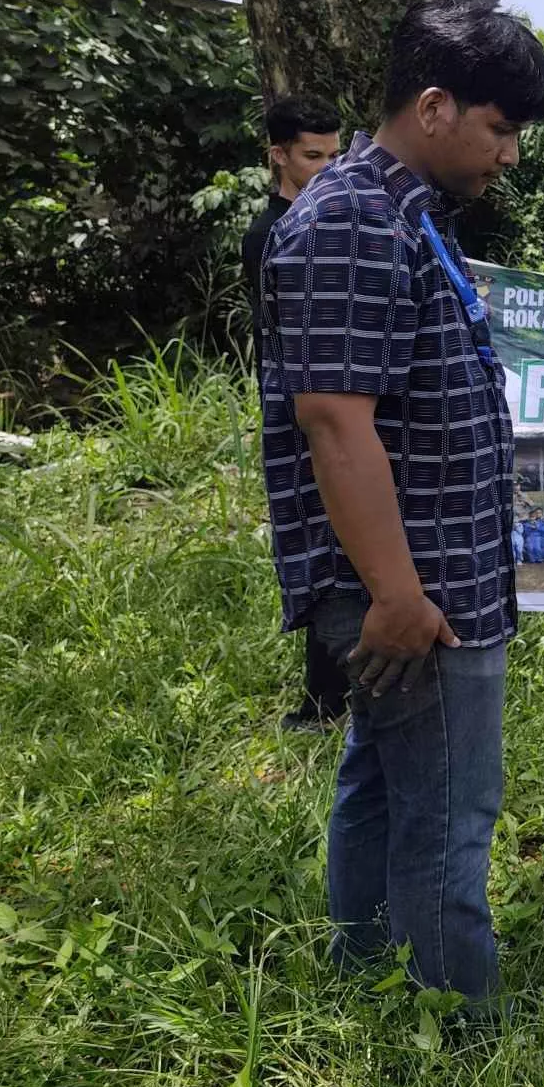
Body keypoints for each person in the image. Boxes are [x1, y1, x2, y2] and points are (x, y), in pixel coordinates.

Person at [260, 0, 544, 1004]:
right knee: (447, 819)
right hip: (415, 594)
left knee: (383, 787)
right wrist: (394, 595)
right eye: (500, 127)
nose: (509, 154)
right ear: (436, 106)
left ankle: (365, 982)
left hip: (435, 579)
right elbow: (336, 424)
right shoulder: (350, 219)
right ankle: (457, 1045)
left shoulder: (404, 215)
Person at [241, 94, 348, 732]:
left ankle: (332, 697)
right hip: (304, 413)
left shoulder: (326, 217)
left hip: (331, 408)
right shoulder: (274, 234)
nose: (329, 169)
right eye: (314, 157)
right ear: (278, 155)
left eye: (337, 155)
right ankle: (323, 703)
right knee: (324, 547)